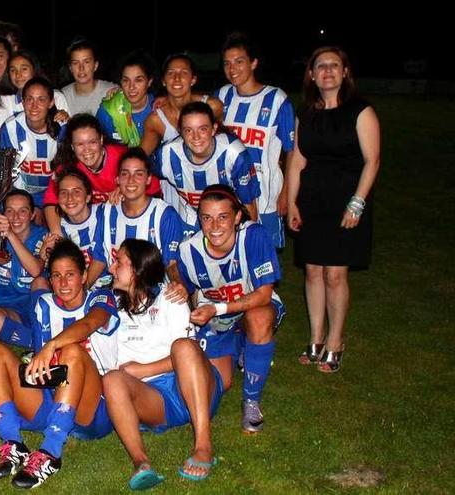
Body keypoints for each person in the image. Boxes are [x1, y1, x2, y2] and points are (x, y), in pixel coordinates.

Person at [0, 240, 119, 489]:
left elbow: (89, 325)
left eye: (70, 275)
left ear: (84, 276)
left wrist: (51, 346)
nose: (63, 283)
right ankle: (13, 444)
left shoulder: (101, 297)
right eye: (56, 276)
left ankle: (51, 453)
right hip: (52, 394)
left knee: (72, 351)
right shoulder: (43, 304)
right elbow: (43, 366)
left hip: (94, 407)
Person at [103, 239, 228, 486]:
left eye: (119, 261)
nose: (111, 267)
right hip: (155, 399)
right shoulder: (110, 306)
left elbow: (188, 356)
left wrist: (143, 369)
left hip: (195, 387)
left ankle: (203, 445)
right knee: (111, 380)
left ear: (138, 269)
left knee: (183, 346)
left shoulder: (170, 296)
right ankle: (141, 461)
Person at [286, 46, 380, 373]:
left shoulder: (361, 110)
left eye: (334, 65)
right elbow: (297, 159)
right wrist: (292, 202)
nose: (327, 71)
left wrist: (357, 203)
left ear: (345, 72)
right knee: (312, 271)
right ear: (311, 74)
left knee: (335, 275)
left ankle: (336, 341)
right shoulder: (306, 113)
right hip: (312, 199)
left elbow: (373, 160)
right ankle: (316, 337)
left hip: (347, 200)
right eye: (320, 66)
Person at [177, 185, 284, 434]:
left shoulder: (253, 236)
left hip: (251, 307)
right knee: (220, 383)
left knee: (258, 318)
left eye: (223, 217)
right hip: (216, 321)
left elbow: (264, 294)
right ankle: (244, 348)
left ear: (237, 217)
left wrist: (217, 307)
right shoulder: (188, 250)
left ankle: (251, 400)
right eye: (207, 218)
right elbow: (186, 292)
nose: (214, 226)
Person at [215, 33, 295, 249]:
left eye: (239, 61)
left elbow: (291, 151)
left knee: (263, 259)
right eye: (227, 63)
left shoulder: (277, 99)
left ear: (254, 63)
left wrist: (287, 193)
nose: (232, 69)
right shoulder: (222, 96)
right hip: (228, 195)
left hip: (267, 196)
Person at [42, 114, 160, 234]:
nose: (86, 150)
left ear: (101, 140)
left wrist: (130, 190)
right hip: (93, 227)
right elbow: (51, 202)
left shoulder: (124, 159)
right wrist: (56, 235)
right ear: (72, 146)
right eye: (80, 144)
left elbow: (155, 192)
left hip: (129, 223)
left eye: (92, 142)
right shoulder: (68, 167)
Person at [154, 101, 259, 233]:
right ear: (180, 131)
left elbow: (248, 203)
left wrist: (250, 238)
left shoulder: (234, 154)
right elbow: (141, 171)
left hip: (227, 220)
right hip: (190, 218)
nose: (196, 137)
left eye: (202, 129)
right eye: (188, 130)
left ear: (214, 129)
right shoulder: (167, 154)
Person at [92, 148, 184, 290]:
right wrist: (83, 288)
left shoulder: (164, 214)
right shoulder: (106, 212)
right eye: (125, 174)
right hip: (117, 291)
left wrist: (178, 286)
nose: (131, 180)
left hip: (154, 295)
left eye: (138, 174)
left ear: (148, 179)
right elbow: (99, 259)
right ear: (117, 179)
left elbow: (171, 263)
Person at [0, 190, 48, 346]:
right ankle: (35, 341)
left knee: (40, 281)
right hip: (9, 309)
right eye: (10, 211)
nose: (15, 217)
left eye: (22, 211)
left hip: (38, 306)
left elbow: (35, 270)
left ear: (32, 215)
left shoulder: (43, 236)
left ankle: (38, 338)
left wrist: (10, 234)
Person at [0, 77, 64, 213]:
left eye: (41, 99)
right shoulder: (10, 128)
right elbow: (5, 172)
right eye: (29, 99)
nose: (34, 106)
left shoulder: (62, 128)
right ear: (23, 102)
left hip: (54, 197)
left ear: (51, 102)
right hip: (20, 196)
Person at [141, 53, 224, 156]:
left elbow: (223, 141)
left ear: (193, 80)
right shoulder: (155, 120)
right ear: (163, 81)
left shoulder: (213, 107)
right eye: (171, 73)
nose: (177, 78)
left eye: (184, 73)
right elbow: (141, 157)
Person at [40, 169, 107, 288]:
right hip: (72, 290)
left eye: (76, 192)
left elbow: (101, 257)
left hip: (106, 287)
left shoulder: (105, 213)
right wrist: (44, 257)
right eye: (64, 193)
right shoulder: (57, 227)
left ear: (87, 197)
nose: (69, 198)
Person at [97, 51, 158, 147]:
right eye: (126, 80)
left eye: (138, 80)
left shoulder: (159, 109)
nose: (131, 87)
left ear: (149, 81)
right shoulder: (108, 111)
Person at [0, 51, 70, 119]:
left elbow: (68, 127)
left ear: (34, 70)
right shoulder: (5, 101)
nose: (18, 74)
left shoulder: (56, 97)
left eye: (24, 69)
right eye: (13, 70)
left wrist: (65, 118)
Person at [60, 39, 117, 116]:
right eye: (75, 63)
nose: (81, 68)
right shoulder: (62, 96)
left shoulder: (111, 92)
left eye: (86, 62)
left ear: (95, 65)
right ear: (70, 68)